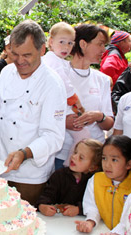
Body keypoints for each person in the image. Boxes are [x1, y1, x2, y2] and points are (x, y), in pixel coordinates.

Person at [0, 20, 67, 206]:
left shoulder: (53, 84)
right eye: (15, 54)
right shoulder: (5, 72)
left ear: (42, 50)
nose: (20, 61)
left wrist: (25, 153)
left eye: (27, 55)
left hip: (30, 176)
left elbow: (53, 137)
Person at [55, 24, 114, 170]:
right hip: (62, 154)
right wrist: (63, 123)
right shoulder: (57, 73)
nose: (104, 50)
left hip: (93, 157)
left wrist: (98, 116)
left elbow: (109, 122)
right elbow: (39, 112)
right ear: (83, 44)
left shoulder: (102, 79)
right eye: (100, 44)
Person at [43, 22, 91, 170]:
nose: (66, 47)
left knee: (81, 135)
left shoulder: (56, 60)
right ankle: (69, 164)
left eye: (70, 43)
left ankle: (69, 162)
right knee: (83, 134)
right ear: (51, 42)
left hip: (59, 106)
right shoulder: (53, 61)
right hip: (59, 107)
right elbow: (66, 86)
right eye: (61, 42)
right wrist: (78, 103)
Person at [75, 135, 131, 233]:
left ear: (128, 164)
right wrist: (90, 221)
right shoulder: (96, 180)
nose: (107, 165)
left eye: (114, 160)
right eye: (104, 158)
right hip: (105, 234)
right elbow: (92, 206)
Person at [36, 138, 102, 217]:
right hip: (59, 222)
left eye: (81, 157)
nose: (74, 157)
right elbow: (47, 195)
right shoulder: (59, 175)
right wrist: (42, 206)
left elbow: (96, 205)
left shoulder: (95, 181)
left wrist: (79, 209)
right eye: (75, 152)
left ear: (92, 167)